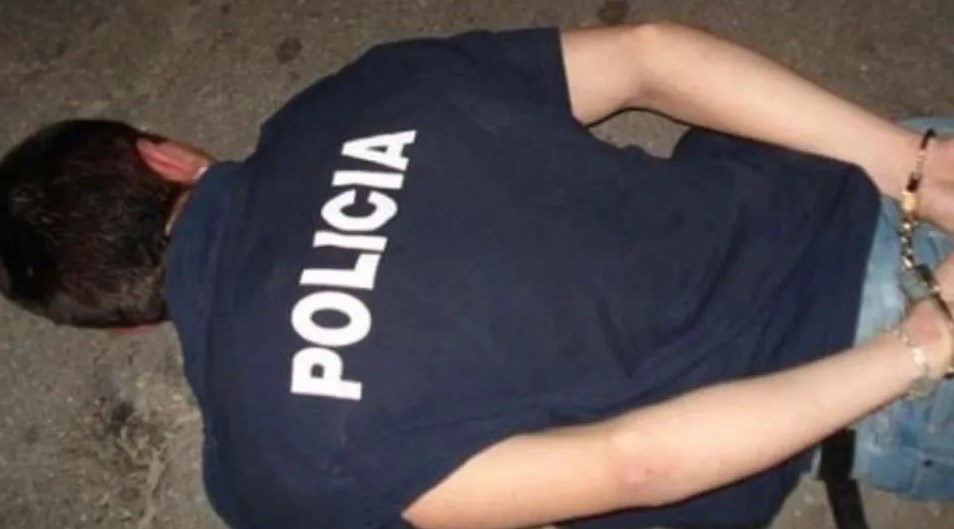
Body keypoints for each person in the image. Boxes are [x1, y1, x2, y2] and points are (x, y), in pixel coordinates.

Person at [0, 21, 952, 529]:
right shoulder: (357, 94)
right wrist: (912, 163)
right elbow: (648, 58)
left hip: (865, 380)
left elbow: (637, 463)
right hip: (849, 179)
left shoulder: (274, 469)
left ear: (129, 322)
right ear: (164, 155)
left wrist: (919, 346)